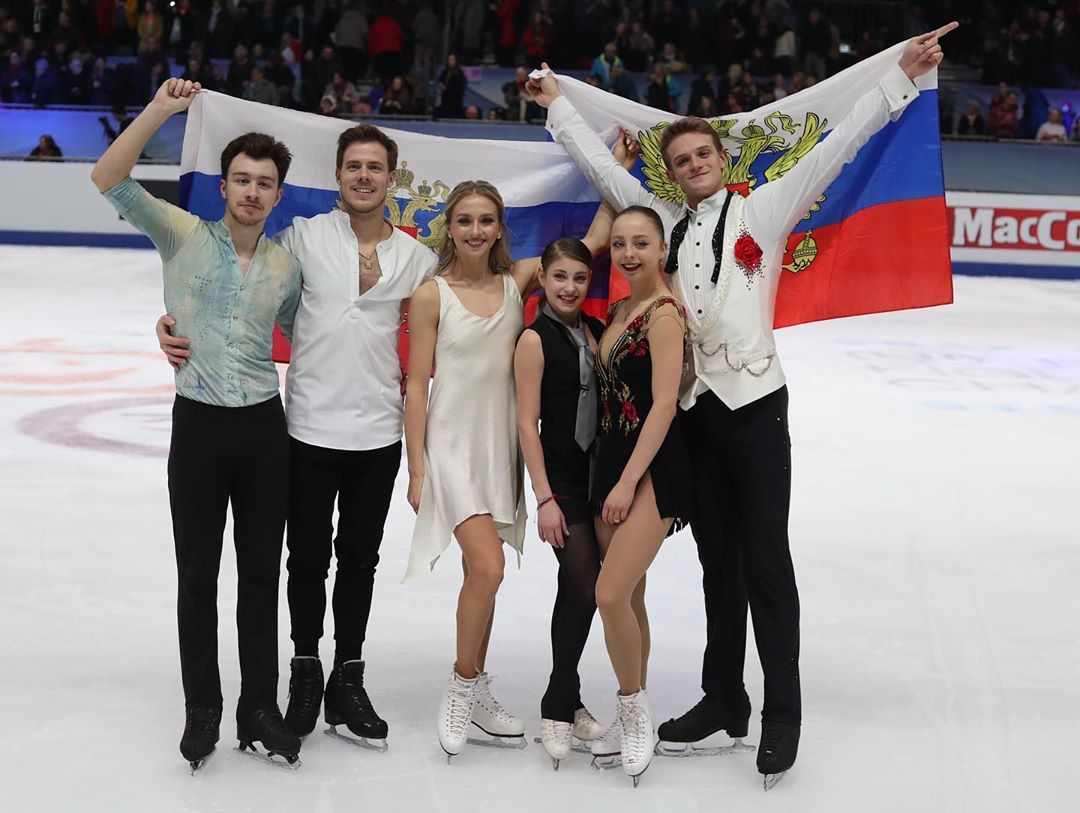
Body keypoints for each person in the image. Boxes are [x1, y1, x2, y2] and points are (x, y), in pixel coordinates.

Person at [528, 22, 958, 787]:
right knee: (716, 563)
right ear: (671, 172)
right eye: (682, 159)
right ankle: (724, 699)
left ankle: (782, 712)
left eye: (703, 155)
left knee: (765, 561)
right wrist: (558, 104)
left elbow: (836, 145)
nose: (694, 165)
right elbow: (604, 174)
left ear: (721, 160)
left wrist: (900, 73)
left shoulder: (764, 208)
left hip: (756, 406)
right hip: (695, 416)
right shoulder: (661, 223)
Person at [157, 125, 438, 752]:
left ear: (392, 178)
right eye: (353, 166)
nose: (363, 176)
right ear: (337, 176)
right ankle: (305, 673)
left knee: (359, 562)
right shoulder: (304, 239)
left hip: (378, 430)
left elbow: (482, 283)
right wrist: (171, 322)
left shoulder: (417, 259)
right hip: (306, 427)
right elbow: (235, 277)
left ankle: (348, 677)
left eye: (375, 167)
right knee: (305, 561)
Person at [92, 78, 303, 772]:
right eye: (242, 179)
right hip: (200, 430)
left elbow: (311, 333)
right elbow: (107, 177)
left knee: (261, 575)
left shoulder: (286, 266)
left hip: (263, 430)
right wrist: (159, 109)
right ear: (223, 186)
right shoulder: (181, 232)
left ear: (278, 194)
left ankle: (259, 708)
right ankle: (203, 706)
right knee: (198, 575)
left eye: (264, 183)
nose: (252, 191)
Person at [403, 180, 615, 761]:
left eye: (486, 220)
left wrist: (611, 168)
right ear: (450, 227)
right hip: (450, 447)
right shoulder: (431, 295)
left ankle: (475, 684)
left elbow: (592, 243)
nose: (476, 231)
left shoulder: (515, 280)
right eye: (465, 220)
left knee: (483, 574)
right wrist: (417, 467)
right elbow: (416, 386)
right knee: (489, 567)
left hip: (500, 449)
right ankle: (461, 685)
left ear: (499, 227)